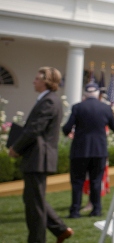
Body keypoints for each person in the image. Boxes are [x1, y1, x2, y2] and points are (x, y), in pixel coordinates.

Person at [8, 67, 73, 243]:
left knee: (34, 204)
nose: (33, 81)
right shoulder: (47, 100)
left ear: (46, 81)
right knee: (33, 199)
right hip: (37, 158)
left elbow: (34, 130)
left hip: (39, 158)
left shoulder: (49, 101)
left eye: (37, 78)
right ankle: (60, 230)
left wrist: (16, 148)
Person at [62, 82, 114, 218]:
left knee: (77, 182)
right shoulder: (105, 108)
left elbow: (66, 128)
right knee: (96, 181)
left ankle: (75, 210)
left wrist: (70, 133)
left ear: (86, 94)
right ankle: (96, 209)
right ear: (98, 93)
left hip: (80, 150)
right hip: (99, 151)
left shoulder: (77, 107)